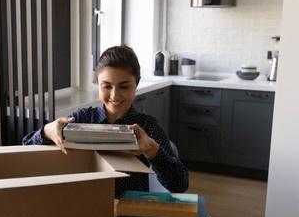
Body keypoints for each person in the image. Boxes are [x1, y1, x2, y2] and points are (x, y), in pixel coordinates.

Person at [23, 44, 189, 198]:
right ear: (97, 83)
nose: (115, 95)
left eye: (124, 86)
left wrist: (151, 149)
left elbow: (179, 185)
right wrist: (46, 131)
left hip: (129, 215)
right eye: (107, 86)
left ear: (136, 84)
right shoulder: (81, 119)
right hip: (83, 208)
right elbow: (25, 151)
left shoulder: (147, 127)